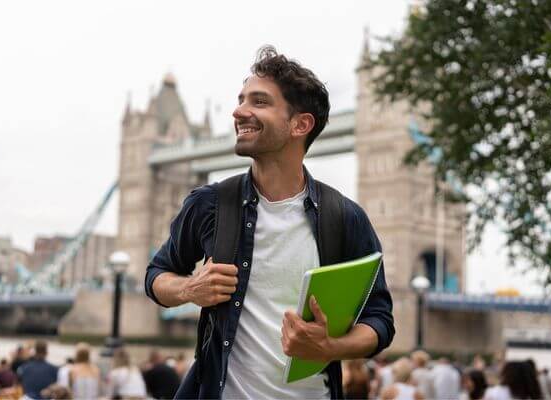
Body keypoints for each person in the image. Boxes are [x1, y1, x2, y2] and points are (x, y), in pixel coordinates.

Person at [145, 45, 395, 399]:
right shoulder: (209, 205)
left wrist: (329, 347)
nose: (238, 111)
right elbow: (156, 275)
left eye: (258, 102)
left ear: (300, 124)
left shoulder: (346, 217)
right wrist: (188, 289)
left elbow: (380, 321)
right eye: (241, 99)